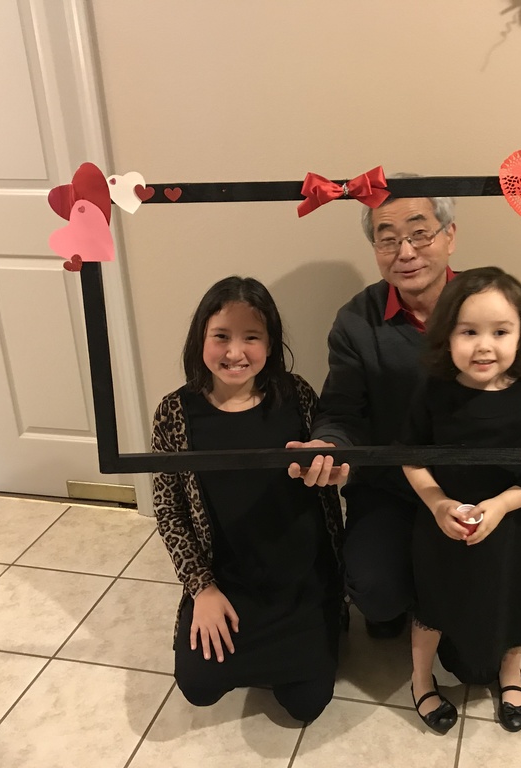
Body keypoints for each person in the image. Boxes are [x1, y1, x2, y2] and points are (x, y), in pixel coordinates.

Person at [286, 192, 521, 642]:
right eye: (388, 239)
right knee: (376, 592)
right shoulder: (356, 320)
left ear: (450, 236)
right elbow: (342, 409)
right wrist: (328, 444)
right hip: (392, 485)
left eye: (419, 233)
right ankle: (405, 603)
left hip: (478, 484)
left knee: (483, 593)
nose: (405, 252)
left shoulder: (491, 301)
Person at [151, 276, 344, 723]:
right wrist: (201, 588)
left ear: (271, 343)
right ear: (201, 338)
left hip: (299, 582)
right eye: (221, 336)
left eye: (251, 337)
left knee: (306, 704)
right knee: (199, 688)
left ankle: (323, 629)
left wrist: (332, 468)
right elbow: (168, 510)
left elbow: (329, 471)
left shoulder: (297, 395)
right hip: (226, 581)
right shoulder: (174, 412)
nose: (235, 352)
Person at [401, 266, 521, 734]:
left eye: (500, 332)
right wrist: (439, 504)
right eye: (468, 332)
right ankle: (420, 678)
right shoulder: (432, 391)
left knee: (512, 596)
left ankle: (511, 672)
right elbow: (410, 458)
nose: (484, 346)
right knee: (433, 602)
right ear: (446, 335)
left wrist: (500, 505)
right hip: (439, 519)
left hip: (509, 522)